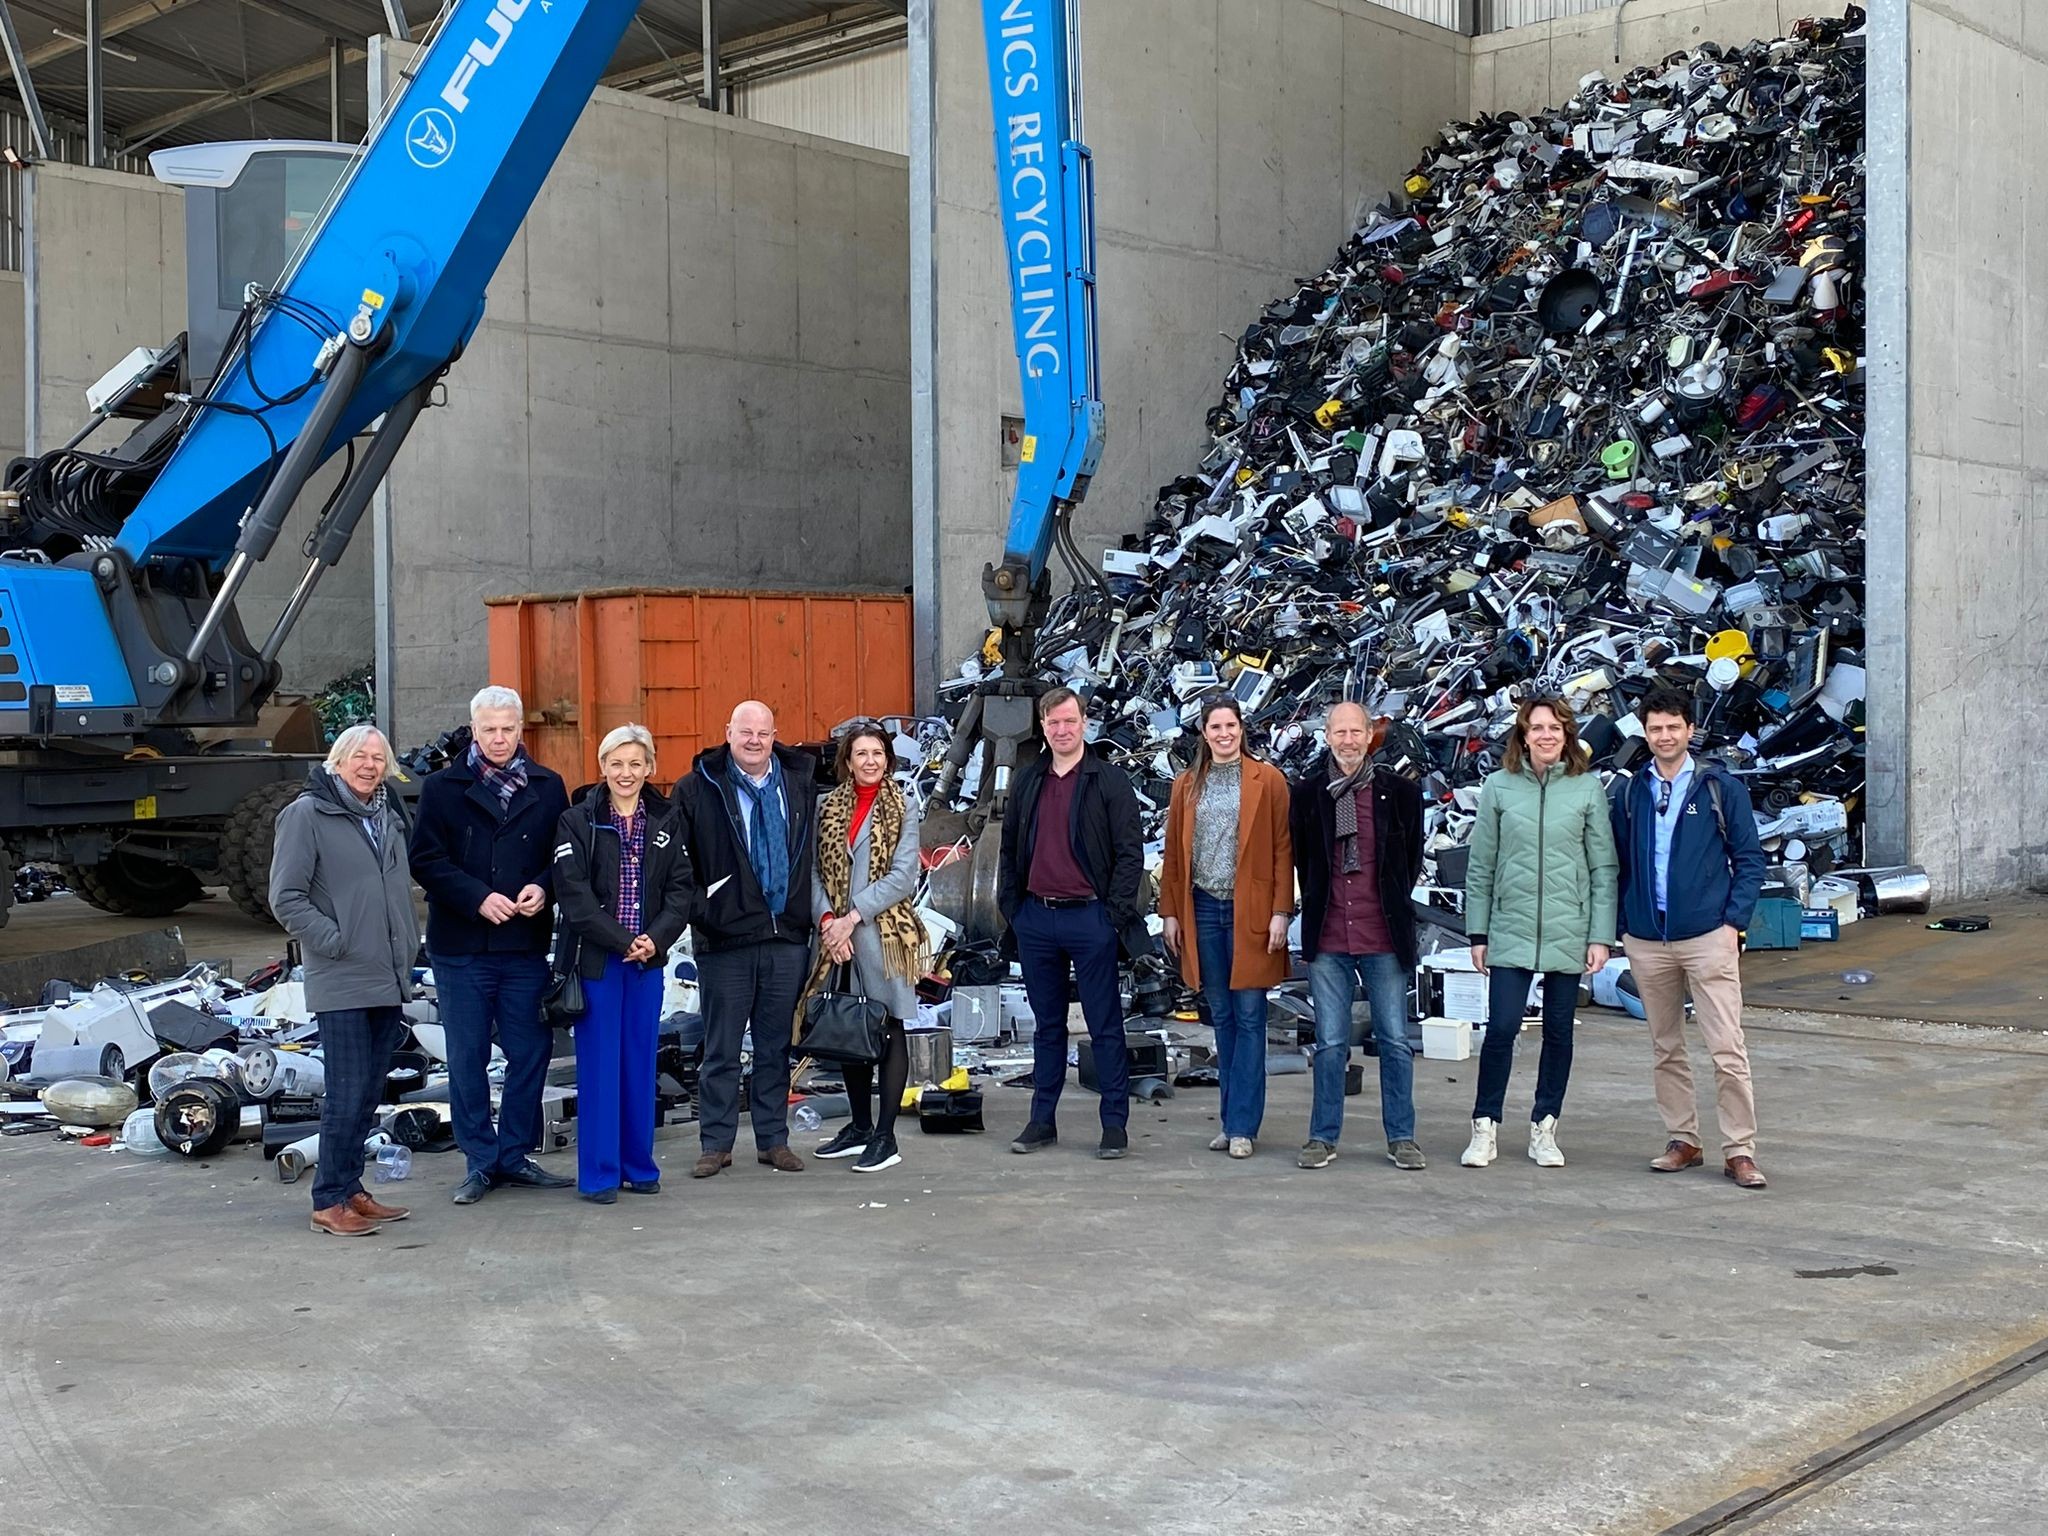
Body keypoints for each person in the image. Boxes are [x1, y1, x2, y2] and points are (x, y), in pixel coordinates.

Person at [407, 684, 573, 1205]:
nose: (499, 739)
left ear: (520, 729)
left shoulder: (548, 786)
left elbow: (566, 854)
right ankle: (480, 1160)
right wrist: (478, 898)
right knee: (467, 1056)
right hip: (462, 947)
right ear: (473, 729)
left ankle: (514, 1154)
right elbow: (426, 861)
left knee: (530, 1050)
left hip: (523, 945)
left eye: (507, 729)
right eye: (489, 729)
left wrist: (543, 887)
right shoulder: (441, 787)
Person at [1610, 685, 1770, 1189]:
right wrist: (1622, 926)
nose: (1663, 736)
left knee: (1727, 1048)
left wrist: (1733, 923)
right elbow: (1616, 865)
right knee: (1666, 1047)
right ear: (1645, 731)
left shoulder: (1720, 788)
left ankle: (1739, 1150)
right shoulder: (1632, 792)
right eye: (1654, 728)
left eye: (1672, 727)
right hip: (1648, 940)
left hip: (1707, 937)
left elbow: (1749, 860)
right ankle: (1683, 1140)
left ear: (1689, 730)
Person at [268, 725, 420, 1237]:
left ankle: (351, 1186)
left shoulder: (387, 814)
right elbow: (286, 897)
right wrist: (335, 941)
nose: (369, 764)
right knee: (346, 1090)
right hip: (344, 975)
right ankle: (328, 1200)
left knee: (369, 1090)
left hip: (387, 972)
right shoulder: (306, 814)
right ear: (337, 760)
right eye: (359, 755)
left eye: (378, 757)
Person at [1460, 695, 1617, 1170]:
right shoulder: (1499, 788)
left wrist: (1600, 935)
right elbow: (1481, 864)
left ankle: (1544, 1126)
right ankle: (1485, 1126)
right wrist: (1478, 933)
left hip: (1569, 928)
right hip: (1510, 926)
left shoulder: (1586, 789)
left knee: (1558, 1033)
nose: (1546, 735)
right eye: (1536, 728)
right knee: (1502, 1027)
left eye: (1554, 727)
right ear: (1523, 736)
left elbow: (1602, 867)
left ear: (1567, 734)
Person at [997, 687, 1150, 1161]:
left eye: (1069, 721)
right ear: (1042, 727)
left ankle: (1114, 1125)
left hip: (1091, 919)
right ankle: (1042, 1121)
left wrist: (1112, 918)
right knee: (1047, 1027)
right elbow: (1009, 849)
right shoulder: (1028, 782)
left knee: (1105, 1026)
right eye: (1053, 723)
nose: (1062, 730)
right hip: (1037, 920)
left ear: (1084, 723)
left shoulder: (1108, 781)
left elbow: (1130, 855)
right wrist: (1014, 910)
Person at [673, 701, 819, 1178]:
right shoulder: (697, 789)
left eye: (763, 732)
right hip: (726, 941)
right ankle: (716, 1144)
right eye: (745, 732)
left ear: (775, 734)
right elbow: (677, 865)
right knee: (721, 1049)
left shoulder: (799, 784)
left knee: (776, 1047)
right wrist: (706, 910)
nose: (754, 741)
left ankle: (773, 1140)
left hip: (785, 936)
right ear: (727, 733)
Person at [552, 724, 696, 1203]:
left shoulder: (668, 819)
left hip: (646, 964)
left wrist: (653, 941)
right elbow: (574, 896)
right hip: (598, 961)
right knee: (599, 1067)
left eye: (636, 763)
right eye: (617, 763)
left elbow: (681, 890)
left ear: (650, 767)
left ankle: (639, 1165)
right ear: (602, 767)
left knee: (638, 1062)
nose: (626, 773)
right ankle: (599, 1174)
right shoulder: (576, 820)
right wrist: (621, 940)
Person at [1290, 701, 1427, 1172]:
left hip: (1382, 935)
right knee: (1329, 1043)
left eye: (1356, 732)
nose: (1347, 740)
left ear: (1371, 735)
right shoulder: (1308, 795)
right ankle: (1322, 1137)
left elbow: (1409, 862)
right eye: (1338, 732)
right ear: (1326, 736)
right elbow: (1305, 862)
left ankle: (1402, 1137)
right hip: (1329, 936)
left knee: (1393, 1040)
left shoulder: (1402, 794)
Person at [1158, 695, 1292, 1160]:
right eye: (1215, 727)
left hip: (1249, 910)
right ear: (1204, 732)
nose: (1224, 734)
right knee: (1224, 1018)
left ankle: (1242, 1126)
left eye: (1231, 725)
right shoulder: (1187, 785)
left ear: (1241, 728)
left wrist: (1281, 911)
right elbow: (1174, 854)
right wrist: (1170, 912)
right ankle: (1231, 1116)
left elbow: (1282, 850)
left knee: (1251, 1017)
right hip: (1204, 909)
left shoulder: (1268, 781)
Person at [803, 721, 928, 1174]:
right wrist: (828, 922)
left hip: (882, 937)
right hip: (837, 939)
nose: (870, 761)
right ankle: (858, 1127)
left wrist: (853, 917)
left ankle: (886, 1136)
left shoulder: (904, 807)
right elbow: (812, 871)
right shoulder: (825, 808)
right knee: (849, 1029)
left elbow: (902, 877)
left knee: (889, 1027)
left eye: (877, 753)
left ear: (887, 759)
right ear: (847, 761)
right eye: (861, 754)